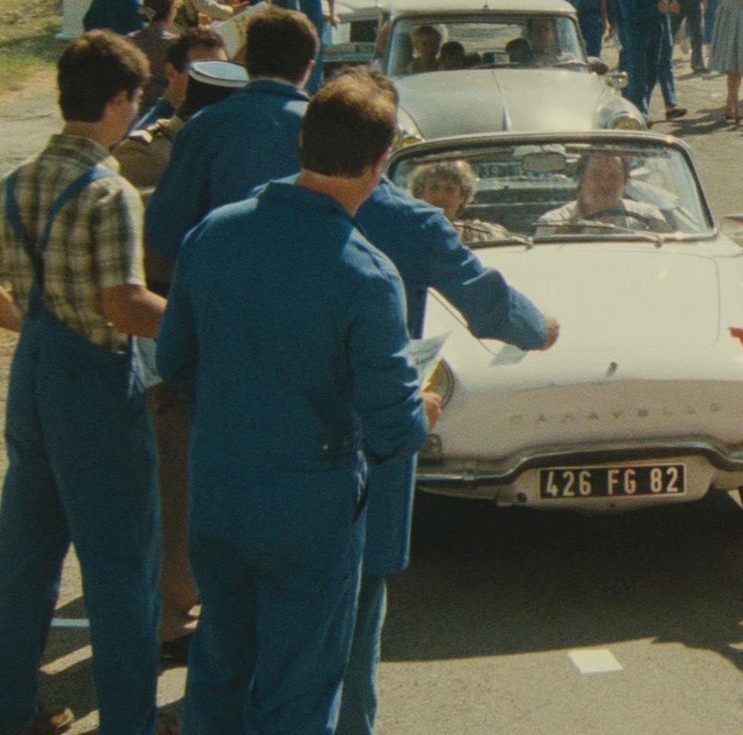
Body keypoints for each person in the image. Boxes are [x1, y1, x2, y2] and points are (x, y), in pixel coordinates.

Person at [157, 73, 429, 734]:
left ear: (303, 140)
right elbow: (395, 429)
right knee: (299, 691)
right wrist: (424, 408)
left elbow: (173, 363)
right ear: (380, 162)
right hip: (311, 498)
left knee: (219, 670)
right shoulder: (365, 272)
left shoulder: (215, 233)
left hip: (219, 485)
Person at [340, 148, 556, 735]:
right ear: (383, 153)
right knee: (358, 595)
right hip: (373, 423)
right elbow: (486, 303)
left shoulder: (240, 217)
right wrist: (540, 328)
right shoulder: (408, 221)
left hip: (264, 440)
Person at [0, 31, 170, 735]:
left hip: (34, 371)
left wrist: (33, 322)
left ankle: (12, 709)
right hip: (94, 383)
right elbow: (124, 305)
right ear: (120, 101)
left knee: (25, 559)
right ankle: (129, 720)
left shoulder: (17, 181)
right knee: (121, 564)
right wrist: (200, 325)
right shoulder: (110, 190)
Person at [112, 56, 244, 674]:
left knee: (187, 477)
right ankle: (170, 614)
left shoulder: (198, 145)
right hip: (171, 330)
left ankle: (178, 606)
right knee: (174, 475)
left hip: (196, 333)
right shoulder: (151, 153)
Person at [144, 9, 317, 283]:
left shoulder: (203, 125)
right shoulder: (325, 128)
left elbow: (163, 234)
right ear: (309, 67)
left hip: (218, 292)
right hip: (306, 289)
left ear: (245, 58)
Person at [121, 29, 232, 173]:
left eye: (222, 72)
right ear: (171, 73)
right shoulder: (145, 144)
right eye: (203, 73)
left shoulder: (224, 125)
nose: (216, 82)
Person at [615, 0, 680, 119]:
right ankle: (639, 113)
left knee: (651, 74)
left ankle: (642, 109)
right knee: (638, 75)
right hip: (636, 34)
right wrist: (655, 9)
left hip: (656, 32)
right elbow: (630, 14)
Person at [539, 152, 666, 228]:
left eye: (613, 176)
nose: (605, 183)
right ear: (582, 179)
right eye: (596, 175)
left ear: (625, 182)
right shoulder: (554, 222)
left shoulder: (647, 216)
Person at [405, 160, 511, 244]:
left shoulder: (481, 234)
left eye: (450, 189)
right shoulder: (408, 235)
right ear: (420, 194)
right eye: (434, 188)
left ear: (463, 197)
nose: (441, 196)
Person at [130, 0, 181, 113]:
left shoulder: (130, 41)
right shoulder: (174, 44)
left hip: (134, 106)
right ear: (169, 11)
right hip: (161, 108)